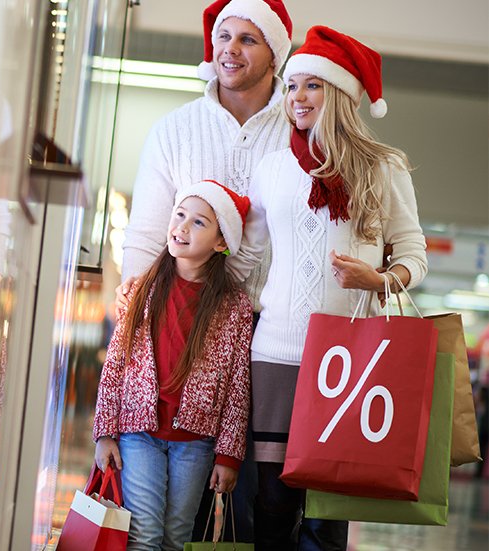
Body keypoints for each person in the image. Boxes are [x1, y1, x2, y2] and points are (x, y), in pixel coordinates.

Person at [230, 26, 428, 550]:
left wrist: (379, 279)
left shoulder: (383, 168)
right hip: (274, 354)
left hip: (347, 361)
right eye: (292, 87)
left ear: (339, 95)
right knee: (271, 504)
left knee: (325, 514)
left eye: (312, 86)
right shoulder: (272, 169)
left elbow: (415, 256)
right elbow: (247, 257)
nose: (297, 98)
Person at [118, 0, 293, 540]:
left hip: (270, 335)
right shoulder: (176, 129)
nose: (230, 49)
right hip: (177, 326)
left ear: (275, 55)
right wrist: (130, 323)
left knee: (251, 497)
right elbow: (147, 233)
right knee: (166, 507)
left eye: (247, 39)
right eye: (223, 35)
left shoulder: (296, 131)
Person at [93, 181, 254, 551]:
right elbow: (115, 364)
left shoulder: (234, 308)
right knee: (144, 534)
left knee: (176, 539)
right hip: (139, 434)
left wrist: (229, 455)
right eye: (179, 215)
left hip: (194, 444)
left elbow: (237, 387)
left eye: (198, 222)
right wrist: (105, 431)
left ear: (220, 241)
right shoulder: (141, 290)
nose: (182, 227)